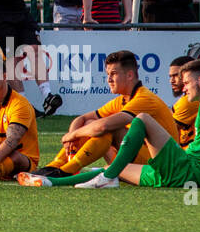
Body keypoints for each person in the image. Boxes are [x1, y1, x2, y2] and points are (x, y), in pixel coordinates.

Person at [19, 59, 200, 189]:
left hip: (186, 168)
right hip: (181, 175)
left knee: (142, 120)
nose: (183, 87)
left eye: (187, 82)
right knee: (113, 171)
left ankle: (87, 174)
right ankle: (51, 181)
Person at [32, 50, 177, 178]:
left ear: (130, 75)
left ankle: (66, 171)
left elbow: (103, 127)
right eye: (108, 74)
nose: (108, 79)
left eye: (113, 74)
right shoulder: (123, 99)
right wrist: (72, 137)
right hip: (141, 160)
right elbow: (82, 118)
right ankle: (54, 167)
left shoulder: (144, 98)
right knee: (90, 125)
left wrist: (72, 135)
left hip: (161, 166)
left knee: (107, 129)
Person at [168, 55, 199, 146]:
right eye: (170, 76)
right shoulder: (186, 98)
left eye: (176, 76)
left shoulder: (190, 101)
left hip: (187, 156)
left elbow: (168, 128)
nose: (171, 81)